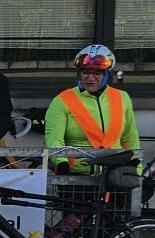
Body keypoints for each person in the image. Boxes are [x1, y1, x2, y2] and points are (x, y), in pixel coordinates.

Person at [45, 45, 138, 174]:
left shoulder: (122, 98)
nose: (90, 77)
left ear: (106, 75)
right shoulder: (62, 100)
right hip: (76, 175)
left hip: (116, 175)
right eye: (85, 72)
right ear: (79, 74)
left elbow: (130, 138)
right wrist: (61, 163)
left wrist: (137, 172)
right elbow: (53, 139)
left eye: (97, 73)